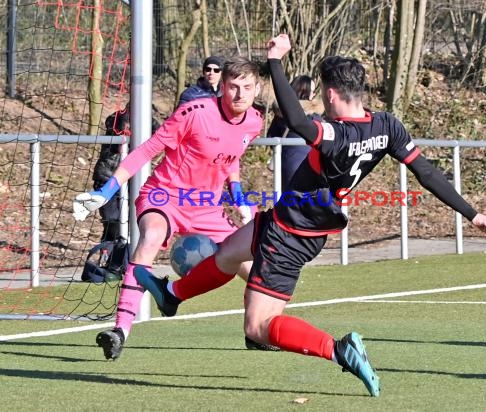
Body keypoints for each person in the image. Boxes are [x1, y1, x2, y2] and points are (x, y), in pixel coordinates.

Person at [134, 34, 486, 397]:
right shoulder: (387, 126)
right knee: (228, 254)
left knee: (258, 327)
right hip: (297, 220)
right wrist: (474, 214)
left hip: (290, 233)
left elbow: (294, 117)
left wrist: (275, 61)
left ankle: (339, 350)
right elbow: (428, 173)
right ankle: (173, 295)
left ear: (330, 94)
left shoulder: (334, 135)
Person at [73, 56, 263, 360]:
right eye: (233, 87)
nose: (240, 94)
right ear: (221, 88)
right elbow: (146, 150)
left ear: (257, 89)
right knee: (149, 241)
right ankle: (120, 331)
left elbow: (232, 157)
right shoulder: (194, 113)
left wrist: (238, 197)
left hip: (206, 207)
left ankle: (257, 330)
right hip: (164, 196)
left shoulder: (255, 121)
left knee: (254, 268)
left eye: (247, 87)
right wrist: (107, 191)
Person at [94, 103, 161, 260]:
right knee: (112, 220)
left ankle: (117, 257)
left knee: (132, 221)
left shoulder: (150, 124)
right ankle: (111, 253)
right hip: (108, 178)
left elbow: (159, 142)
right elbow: (119, 143)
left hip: (133, 180)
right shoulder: (116, 120)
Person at [267, 75, 320, 188]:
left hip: (285, 166)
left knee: (286, 201)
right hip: (309, 167)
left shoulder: (280, 115)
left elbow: (271, 138)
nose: (314, 95)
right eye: (313, 91)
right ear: (306, 93)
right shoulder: (314, 118)